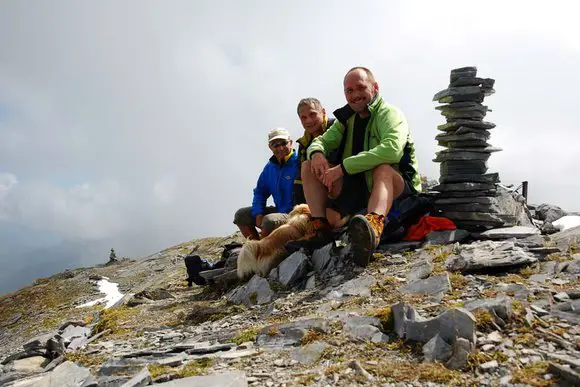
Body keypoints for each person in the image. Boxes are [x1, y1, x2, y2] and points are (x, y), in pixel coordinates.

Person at [292, 67, 422, 266]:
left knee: (383, 169)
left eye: (360, 87)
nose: (354, 95)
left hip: (398, 188)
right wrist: (317, 152)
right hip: (359, 188)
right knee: (309, 165)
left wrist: (343, 168)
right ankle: (320, 228)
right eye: (349, 91)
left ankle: (373, 227)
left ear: (375, 87)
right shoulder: (346, 118)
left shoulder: (390, 114)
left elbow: (392, 150)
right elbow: (322, 142)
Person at [233, 128, 299, 239]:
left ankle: (264, 251)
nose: (280, 148)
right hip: (279, 212)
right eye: (275, 145)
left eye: (283, 143)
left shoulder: (300, 162)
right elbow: (260, 192)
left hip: (296, 215)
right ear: (270, 147)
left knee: (269, 221)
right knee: (241, 215)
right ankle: (256, 248)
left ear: (291, 143)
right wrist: (258, 214)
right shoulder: (270, 167)